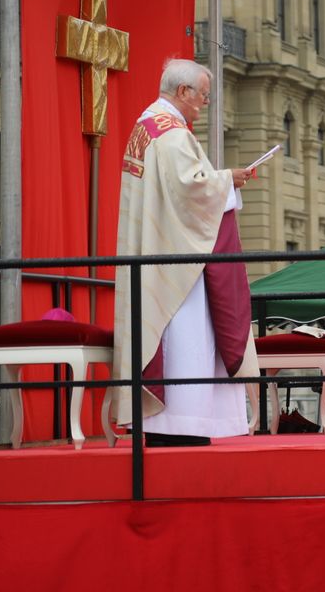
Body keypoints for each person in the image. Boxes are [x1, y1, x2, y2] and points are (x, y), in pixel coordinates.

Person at [112, 58, 257, 447]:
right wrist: (230, 179)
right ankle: (182, 424)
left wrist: (221, 182)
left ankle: (168, 423)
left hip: (160, 246)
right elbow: (192, 190)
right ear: (183, 92)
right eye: (204, 96)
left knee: (174, 335)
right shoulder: (172, 132)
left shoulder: (147, 125)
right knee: (187, 338)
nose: (205, 103)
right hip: (180, 262)